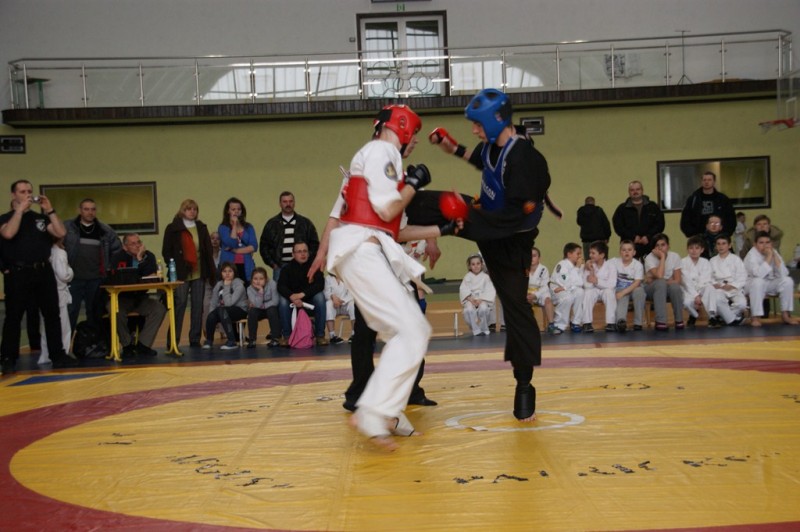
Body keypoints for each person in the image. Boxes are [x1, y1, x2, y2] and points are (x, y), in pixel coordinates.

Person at [317, 103, 456, 449]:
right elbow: (387, 207)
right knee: (413, 330)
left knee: (405, 332)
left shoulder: (381, 159)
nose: (415, 141)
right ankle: (374, 410)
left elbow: (395, 229)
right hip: (362, 251)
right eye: (414, 134)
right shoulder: (383, 151)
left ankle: (389, 413)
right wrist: (414, 184)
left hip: (367, 250)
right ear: (403, 127)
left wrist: (442, 230)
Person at [429, 88, 551, 423]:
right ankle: (392, 221)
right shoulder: (495, 145)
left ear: (497, 121)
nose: (474, 130)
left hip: (510, 241)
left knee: (516, 309)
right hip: (487, 226)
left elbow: (516, 216)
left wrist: (466, 218)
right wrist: (452, 147)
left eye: (478, 125)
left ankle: (524, 385)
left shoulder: (525, 160)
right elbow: (480, 158)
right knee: (433, 201)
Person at [1, 180, 77, 374]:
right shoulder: (6, 218)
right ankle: (8, 357)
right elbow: (8, 233)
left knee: (52, 314)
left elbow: (60, 232)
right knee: (14, 316)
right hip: (18, 272)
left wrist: (50, 210)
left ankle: (57, 355)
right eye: (22, 191)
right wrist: (20, 210)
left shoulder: (40, 219)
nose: (27, 194)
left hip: (43, 271)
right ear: (14, 195)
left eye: (29, 191)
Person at [162, 199, 217, 348]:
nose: (192, 211)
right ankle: (173, 340)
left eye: (194, 209)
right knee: (180, 304)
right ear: (182, 210)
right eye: (188, 209)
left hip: (199, 271)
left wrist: (210, 270)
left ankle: (195, 339)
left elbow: (207, 250)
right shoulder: (173, 228)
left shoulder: (201, 227)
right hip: (181, 273)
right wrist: (174, 266)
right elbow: (166, 251)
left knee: (198, 306)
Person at [64, 198, 121, 329]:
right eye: (86, 209)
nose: (90, 212)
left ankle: (93, 340)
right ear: (80, 210)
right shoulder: (68, 228)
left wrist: (109, 269)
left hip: (96, 279)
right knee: (71, 312)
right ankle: (67, 342)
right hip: (73, 279)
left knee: (94, 313)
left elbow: (117, 251)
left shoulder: (105, 230)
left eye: (93, 209)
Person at [109, 233, 167, 358]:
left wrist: (140, 259)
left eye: (139, 242)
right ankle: (127, 345)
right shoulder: (117, 258)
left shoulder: (148, 256)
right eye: (133, 243)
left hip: (141, 298)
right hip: (122, 298)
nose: (137, 246)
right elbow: (113, 278)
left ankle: (143, 345)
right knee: (114, 309)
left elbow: (151, 277)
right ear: (125, 247)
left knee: (159, 309)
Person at [259, 191, 319, 280]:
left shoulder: (305, 223)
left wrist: (306, 260)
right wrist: (273, 264)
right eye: (285, 202)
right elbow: (264, 246)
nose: (288, 204)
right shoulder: (272, 224)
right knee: (280, 289)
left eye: (290, 201)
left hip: (302, 267)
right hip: (280, 267)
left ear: (294, 203)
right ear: (280, 204)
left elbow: (314, 244)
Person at [743, 231, 798, 327]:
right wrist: (769, 257)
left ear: (771, 243)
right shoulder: (751, 255)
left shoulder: (774, 252)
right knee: (758, 282)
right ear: (755, 244)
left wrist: (774, 256)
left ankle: (786, 315)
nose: (765, 245)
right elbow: (759, 275)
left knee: (787, 281)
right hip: (752, 284)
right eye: (761, 243)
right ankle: (755, 317)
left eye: (767, 242)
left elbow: (784, 273)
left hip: (769, 283)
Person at [277, 241, 327, 346]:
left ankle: (320, 335)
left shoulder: (315, 267)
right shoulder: (286, 269)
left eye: (305, 251)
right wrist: (291, 296)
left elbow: (320, 285)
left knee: (320, 297)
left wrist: (302, 295)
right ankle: (287, 337)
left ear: (308, 253)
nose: (303, 254)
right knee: (282, 301)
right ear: (293, 254)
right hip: (292, 300)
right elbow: (280, 286)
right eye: (299, 251)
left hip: (309, 299)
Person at [38, 235, 73, 366]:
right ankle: (62, 353)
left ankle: (45, 355)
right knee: (63, 326)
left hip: (45, 291)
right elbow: (64, 275)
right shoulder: (60, 253)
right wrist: (71, 271)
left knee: (45, 326)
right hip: (59, 292)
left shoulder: (45, 252)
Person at [611, 180, 665, 260]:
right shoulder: (622, 208)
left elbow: (660, 224)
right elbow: (618, 227)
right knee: (631, 267)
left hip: (651, 245)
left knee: (652, 267)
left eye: (637, 189)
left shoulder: (653, 207)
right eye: (632, 190)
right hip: (629, 247)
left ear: (642, 190)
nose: (635, 192)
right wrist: (633, 237)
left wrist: (648, 237)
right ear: (629, 192)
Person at [643, 233, 685, 331]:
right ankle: (660, 321)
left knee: (675, 287)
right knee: (661, 283)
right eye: (657, 245)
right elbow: (659, 276)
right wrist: (662, 257)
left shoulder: (675, 256)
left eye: (663, 245)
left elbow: (677, 280)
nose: (660, 248)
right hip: (651, 289)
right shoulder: (649, 258)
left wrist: (661, 281)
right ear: (653, 248)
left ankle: (679, 320)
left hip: (667, 287)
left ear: (668, 246)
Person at [203, 261, 248, 350]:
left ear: (234, 272)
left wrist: (226, 286)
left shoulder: (239, 285)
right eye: (224, 271)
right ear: (221, 273)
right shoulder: (219, 284)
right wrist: (212, 315)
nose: (227, 274)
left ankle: (232, 341)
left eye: (230, 271)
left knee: (221, 310)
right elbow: (213, 302)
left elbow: (229, 303)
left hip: (240, 310)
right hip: (223, 311)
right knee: (212, 314)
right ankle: (209, 340)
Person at [679, 171, 736, 239]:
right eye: (704, 180)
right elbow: (685, 218)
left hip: (719, 237)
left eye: (709, 180)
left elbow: (731, 218)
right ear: (701, 182)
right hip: (698, 237)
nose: (706, 182)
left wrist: (725, 234)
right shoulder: (693, 199)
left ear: (714, 182)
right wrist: (691, 233)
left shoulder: (723, 199)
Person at [708, 234, 747, 327]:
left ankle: (722, 317)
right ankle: (734, 319)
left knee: (742, 304)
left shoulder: (736, 259)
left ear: (729, 245)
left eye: (723, 243)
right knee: (717, 300)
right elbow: (709, 277)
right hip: (719, 288)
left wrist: (732, 285)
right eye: (718, 244)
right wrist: (715, 284)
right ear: (716, 246)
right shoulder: (712, 261)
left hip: (733, 287)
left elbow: (742, 276)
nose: (721, 246)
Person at [580, 240, 617, 332]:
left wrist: (596, 281)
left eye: (593, 253)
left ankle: (611, 323)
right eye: (590, 253)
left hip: (606, 290)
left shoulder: (611, 266)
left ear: (602, 255)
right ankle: (587, 323)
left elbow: (612, 284)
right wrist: (591, 271)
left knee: (609, 293)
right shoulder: (589, 265)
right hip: (593, 289)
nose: (590, 255)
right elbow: (587, 285)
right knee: (587, 293)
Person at [218, 197, 257, 283]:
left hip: (246, 264)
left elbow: (254, 246)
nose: (236, 211)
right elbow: (232, 243)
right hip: (229, 265)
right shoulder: (223, 227)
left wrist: (235, 251)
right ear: (228, 211)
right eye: (233, 209)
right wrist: (234, 225)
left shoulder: (248, 227)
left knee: (246, 287)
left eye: (239, 209)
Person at [680, 235, 715, 328]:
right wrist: (696, 295)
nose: (694, 251)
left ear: (702, 250)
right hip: (688, 290)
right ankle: (694, 315)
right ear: (687, 250)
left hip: (702, 288)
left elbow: (706, 279)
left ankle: (712, 317)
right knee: (687, 303)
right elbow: (686, 281)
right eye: (691, 248)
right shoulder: (682, 262)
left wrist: (698, 294)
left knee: (710, 288)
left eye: (697, 248)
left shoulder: (705, 262)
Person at [610, 240, 645, 331]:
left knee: (639, 291)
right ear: (620, 252)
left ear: (634, 252)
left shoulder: (638, 265)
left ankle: (638, 323)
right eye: (624, 250)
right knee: (622, 296)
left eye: (629, 250)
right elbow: (601, 264)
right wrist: (588, 263)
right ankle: (621, 321)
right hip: (619, 288)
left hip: (634, 288)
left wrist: (623, 292)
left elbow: (637, 282)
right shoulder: (614, 261)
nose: (626, 252)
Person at [549, 243, 584, 334]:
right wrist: (568, 286)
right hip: (556, 291)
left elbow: (580, 283)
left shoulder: (578, 266)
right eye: (578, 254)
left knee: (580, 292)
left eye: (580, 254)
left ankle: (575, 322)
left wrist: (568, 286)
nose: (580, 256)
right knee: (568, 297)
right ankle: (558, 324)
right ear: (569, 254)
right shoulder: (562, 265)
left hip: (566, 289)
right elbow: (565, 282)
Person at [459, 253, 496, 336]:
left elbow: (490, 290)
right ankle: (475, 329)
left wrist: (481, 299)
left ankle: (484, 327)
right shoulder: (467, 277)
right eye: (473, 264)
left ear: (482, 265)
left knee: (484, 308)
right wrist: (470, 299)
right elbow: (463, 289)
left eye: (478, 263)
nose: (476, 266)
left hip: (482, 299)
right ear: (469, 266)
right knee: (468, 310)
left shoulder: (486, 277)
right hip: (470, 299)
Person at [245, 267, 281, 348]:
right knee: (252, 312)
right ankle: (252, 340)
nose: (258, 281)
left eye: (261, 279)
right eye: (255, 279)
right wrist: (260, 291)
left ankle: (275, 339)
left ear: (266, 279)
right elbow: (257, 305)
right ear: (251, 280)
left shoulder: (272, 284)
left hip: (270, 308)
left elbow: (275, 301)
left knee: (272, 310)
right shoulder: (249, 289)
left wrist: (264, 306)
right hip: (258, 309)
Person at [527, 247, 556, 335]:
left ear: (539, 258)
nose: (531, 258)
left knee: (548, 300)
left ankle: (551, 324)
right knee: (526, 301)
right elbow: (520, 284)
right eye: (529, 256)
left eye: (534, 256)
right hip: (528, 292)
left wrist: (535, 295)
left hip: (541, 292)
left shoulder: (543, 269)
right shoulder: (524, 269)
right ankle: (529, 325)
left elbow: (545, 286)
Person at [323, 272, 354, 344]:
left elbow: (352, 293)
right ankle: (332, 336)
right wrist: (333, 297)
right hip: (334, 304)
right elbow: (326, 292)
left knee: (352, 304)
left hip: (345, 303)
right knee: (328, 304)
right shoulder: (328, 278)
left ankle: (354, 334)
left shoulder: (348, 276)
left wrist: (342, 301)